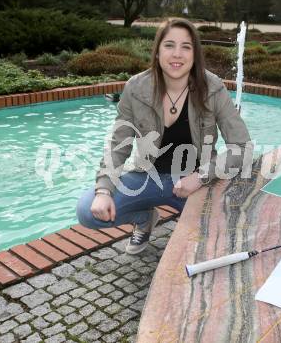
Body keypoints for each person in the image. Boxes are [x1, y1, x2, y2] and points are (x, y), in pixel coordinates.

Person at [76, 18, 252, 254]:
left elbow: (242, 146)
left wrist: (201, 176)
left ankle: (192, 220)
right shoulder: (136, 88)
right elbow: (118, 145)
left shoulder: (212, 88)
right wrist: (104, 190)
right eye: (169, 45)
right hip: (148, 177)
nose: (177, 54)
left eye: (186, 47)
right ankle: (144, 219)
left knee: (221, 229)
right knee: (87, 211)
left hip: (195, 182)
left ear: (194, 54)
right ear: (157, 51)